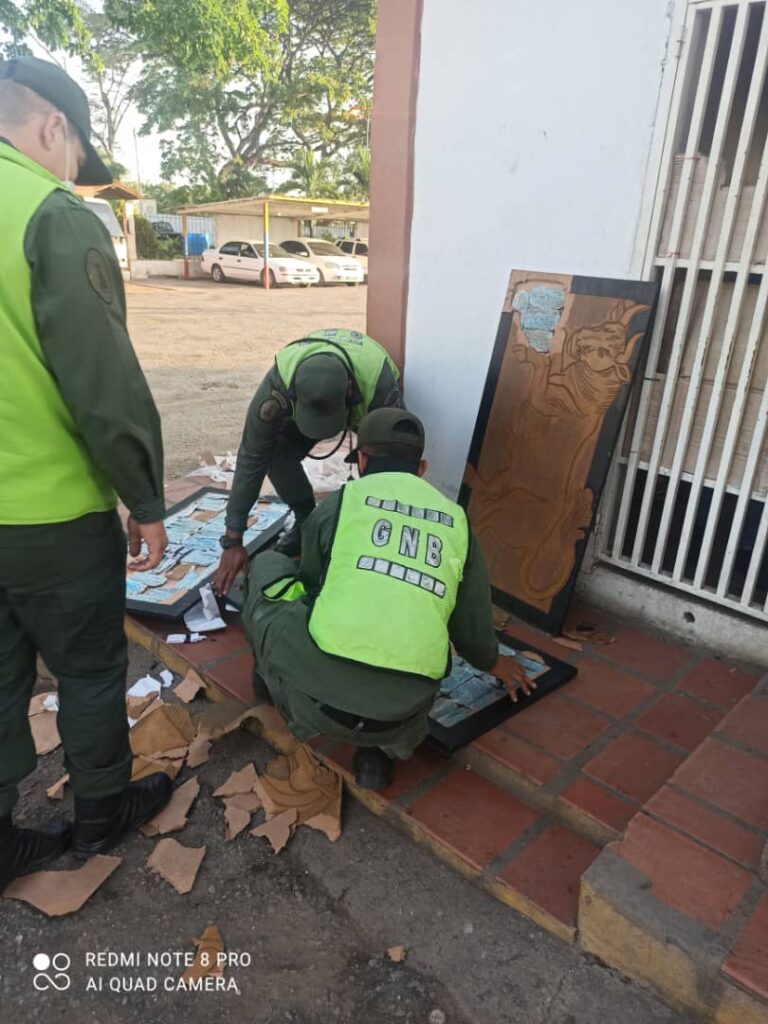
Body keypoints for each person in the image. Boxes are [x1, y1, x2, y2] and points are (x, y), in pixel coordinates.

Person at [0, 57, 173, 888]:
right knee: (90, 669)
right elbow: (103, 382)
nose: (79, 178)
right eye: (78, 158)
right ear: (53, 129)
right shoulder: (52, 216)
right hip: (51, 516)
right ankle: (102, 811)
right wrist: (144, 498)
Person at [240, 408, 534, 789]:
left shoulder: (338, 504)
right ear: (422, 467)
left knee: (269, 567)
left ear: (362, 460)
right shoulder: (457, 520)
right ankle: (376, 757)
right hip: (404, 715)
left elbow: (309, 588)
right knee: (393, 676)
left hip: (319, 700)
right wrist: (493, 661)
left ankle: (268, 677)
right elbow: (471, 622)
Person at [214, 328, 403, 594]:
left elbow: (394, 467)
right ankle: (305, 521)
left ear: (349, 390)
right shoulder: (277, 385)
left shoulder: (378, 382)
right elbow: (252, 457)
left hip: (368, 404)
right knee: (276, 454)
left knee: (378, 466)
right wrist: (233, 540)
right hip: (310, 403)